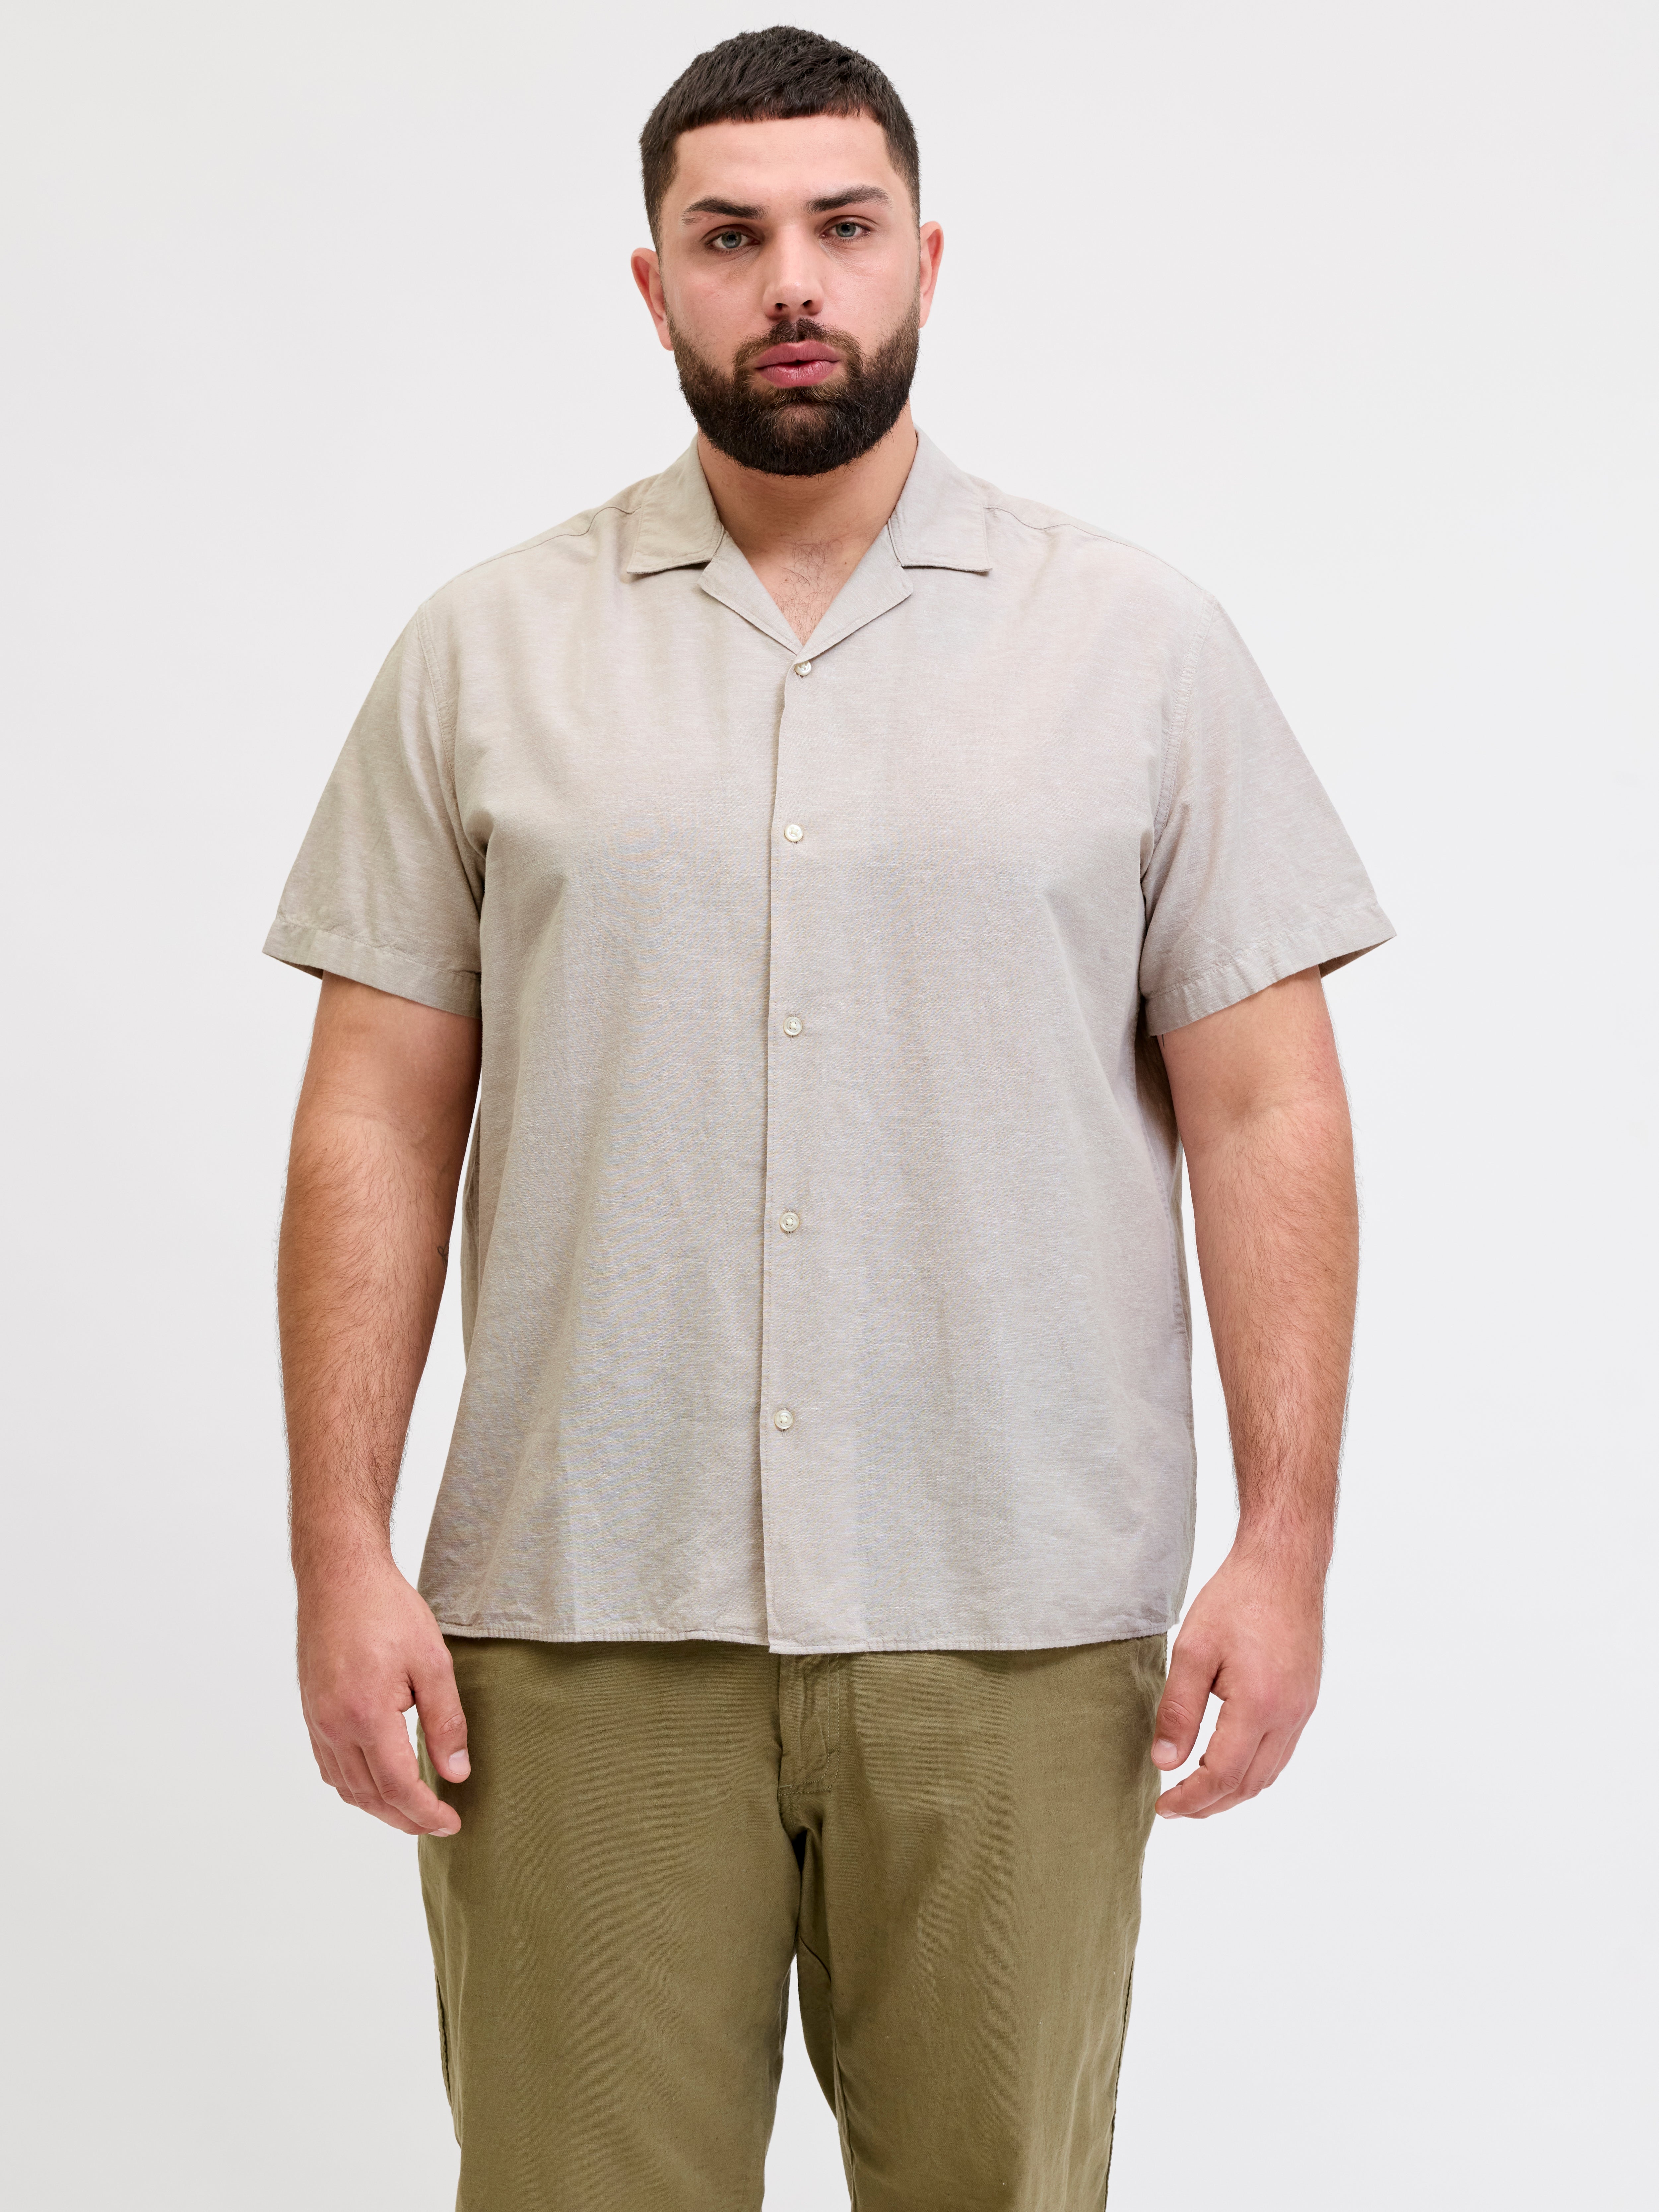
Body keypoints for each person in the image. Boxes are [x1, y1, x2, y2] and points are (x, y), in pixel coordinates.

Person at [267, 25, 1394, 2211]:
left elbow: (1270, 1110)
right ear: (655, 285)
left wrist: (1288, 1540)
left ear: (925, 259)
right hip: (578, 1623)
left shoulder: (1140, 646)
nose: (792, 280)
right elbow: (372, 1125)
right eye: (731, 237)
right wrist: (339, 1546)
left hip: (1015, 1619)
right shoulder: (484, 653)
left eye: (842, 228)